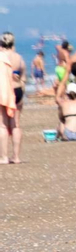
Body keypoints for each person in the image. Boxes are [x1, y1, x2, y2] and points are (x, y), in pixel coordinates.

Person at [0, 32, 24, 163]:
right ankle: (16, 157)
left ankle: (4, 157)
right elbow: (23, 77)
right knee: (16, 124)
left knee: (3, 125)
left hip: (4, 91)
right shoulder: (18, 58)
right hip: (18, 89)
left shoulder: (0, 57)